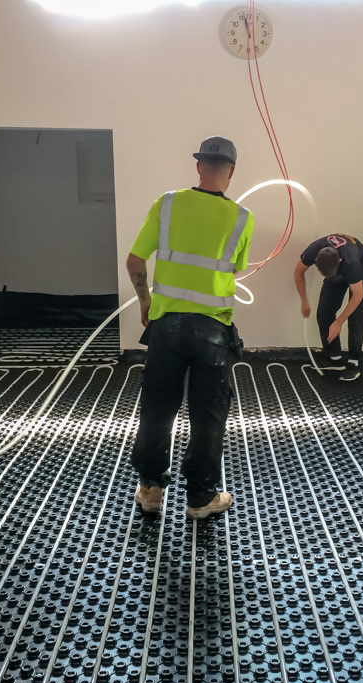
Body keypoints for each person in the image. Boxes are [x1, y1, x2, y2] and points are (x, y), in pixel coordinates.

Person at [125, 136, 254, 520]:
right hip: (212, 333)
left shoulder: (165, 204)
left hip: (166, 328)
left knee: (156, 410)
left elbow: (135, 262)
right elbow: (235, 268)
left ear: (199, 166)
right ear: (231, 172)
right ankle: (200, 499)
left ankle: (150, 491)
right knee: (208, 417)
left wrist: (146, 300)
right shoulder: (242, 217)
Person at [294, 234, 363, 381]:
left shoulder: (352, 262)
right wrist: (304, 300)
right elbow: (298, 272)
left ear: (340, 262)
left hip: (362, 270)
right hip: (336, 268)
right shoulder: (313, 250)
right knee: (324, 313)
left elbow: (358, 295)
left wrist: (339, 322)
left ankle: (353, 362)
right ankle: (334, 358)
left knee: (355, 315)